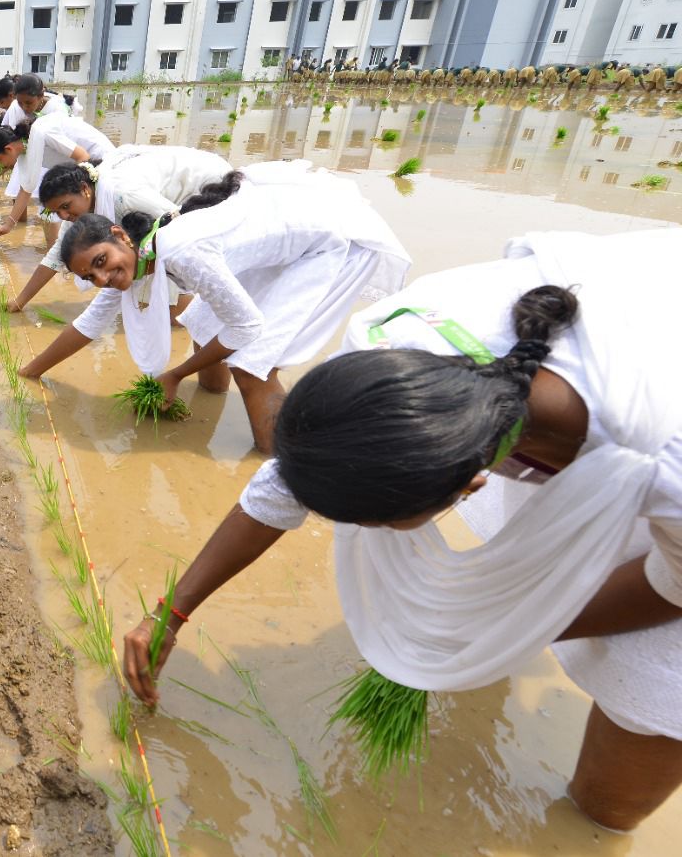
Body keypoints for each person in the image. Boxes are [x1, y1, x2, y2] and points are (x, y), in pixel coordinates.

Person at [125, 229, 682, 833]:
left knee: (624, 763)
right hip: (612, 324)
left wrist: (503, 623)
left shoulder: (663, 458)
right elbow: (288, 481)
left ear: (468, 484)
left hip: (653, 393)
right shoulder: (384, 354)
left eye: (379, 523)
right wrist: (171, 612)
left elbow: (673, 587)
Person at [24, 164, 410, 452]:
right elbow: (91, 321)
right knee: (203, 323)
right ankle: (211, 400)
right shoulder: (137, 258)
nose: (103, 277)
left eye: (100, 262)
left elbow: (246, 328)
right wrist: (31, 371)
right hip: (282, 246)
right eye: (90, 277)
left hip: (329, 244)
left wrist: (174, 375)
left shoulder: (180, 250)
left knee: (252, 363)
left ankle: (284, 462)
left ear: (120, 236)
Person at [2, 147, 234, 315]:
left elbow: (177, 226)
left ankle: (196, 315)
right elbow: (56, 255)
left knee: (163, 266)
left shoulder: (123, 196)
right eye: (57, 212)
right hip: (174, 194)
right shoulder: (83, 206)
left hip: (208, 183)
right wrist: (20, 301)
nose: (63, 216)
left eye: (65, 207)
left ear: (84, 189)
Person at [0, 113, 114, 240]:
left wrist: (71, 193)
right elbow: (25, 189)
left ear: (8, 149)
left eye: (0, 159)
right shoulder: (24, 152)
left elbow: (83, 156)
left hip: (101, 163)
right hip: (83, 170)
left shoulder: (43, 134)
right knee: (49, 214)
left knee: (100, 224)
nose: (2, 165)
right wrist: (8, 226)